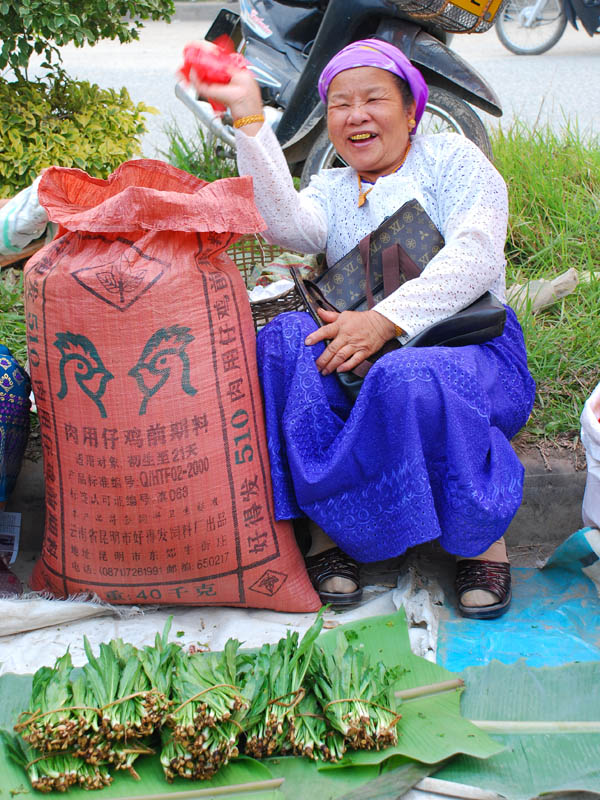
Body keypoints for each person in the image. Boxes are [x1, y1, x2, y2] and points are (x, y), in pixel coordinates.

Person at [190, 38, 536, 619]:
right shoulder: (332, 185)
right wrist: (248, 114)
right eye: (340, 105)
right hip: (362, 347)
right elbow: (284, 225)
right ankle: (329, 535)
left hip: (466, 350)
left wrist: (384, 322)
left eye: (374, 99)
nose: (356, 116)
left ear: (411, 111)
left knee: (407, 375)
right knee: (282, 344)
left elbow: (477, 254)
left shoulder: (452, 160)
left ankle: (480, 540)